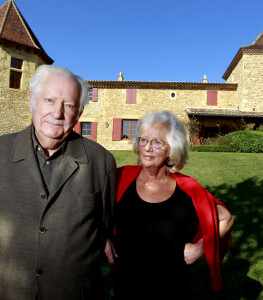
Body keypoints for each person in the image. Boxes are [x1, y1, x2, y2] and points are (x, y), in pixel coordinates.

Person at [0, 65, 116, 299]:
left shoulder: (101, 162)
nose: (58, 113)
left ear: (79, 112)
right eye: (50, 100)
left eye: (69, 105)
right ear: (32, 100)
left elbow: (105, 224)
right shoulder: (1, 152)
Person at [113, 111, 233, 300]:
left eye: (157, 142)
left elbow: (225, 218)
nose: (147, 148)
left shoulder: (188, 189)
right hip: (126, 285)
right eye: (143, 140)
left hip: (172, 286)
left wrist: (200, 247)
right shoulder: (120, 178)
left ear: (172, 149)